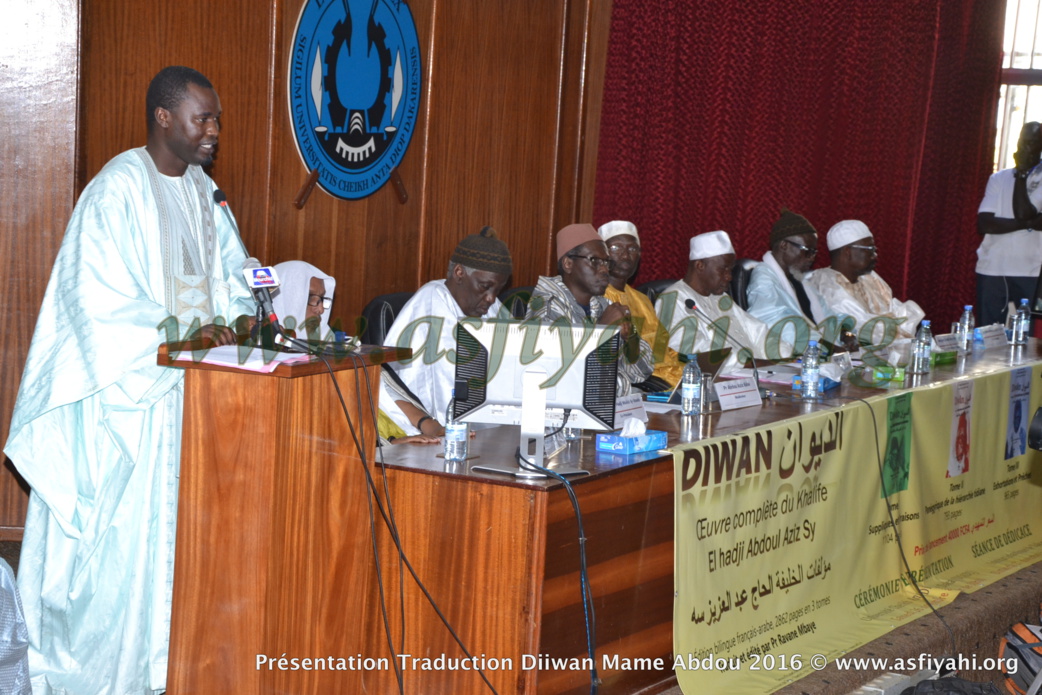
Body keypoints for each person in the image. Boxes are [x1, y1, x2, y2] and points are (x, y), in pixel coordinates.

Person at [4, 67, 256, 694]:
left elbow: (230, 271)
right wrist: (178, 334)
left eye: (217, 119)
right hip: (132, 400)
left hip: (194, 398)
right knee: (123, 548)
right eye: (203, 118)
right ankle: (109, 672)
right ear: (164, 117)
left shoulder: (204, 191)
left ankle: (170, 665)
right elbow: (94, 299)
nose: (214, 131)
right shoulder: (115, 190)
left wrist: (244, 313)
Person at [273, 260, 439, 445]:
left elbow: (383, 390)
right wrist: (389, 444)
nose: (319, 309)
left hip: (395, 434)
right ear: (289, 296)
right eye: (312, 298)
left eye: (322, 299)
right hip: (361, 449)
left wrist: (430, 425)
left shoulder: (333, 342)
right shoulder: (271, 361)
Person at [380, 226, 513, 436]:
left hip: (484, 433)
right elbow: (448, 383)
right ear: (459, 273)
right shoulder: (431, 302)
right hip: (434, 433)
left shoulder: (491, 307)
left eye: (498, 290)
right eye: (484, 287)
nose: (491, 298)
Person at [526, 223, 654, 394]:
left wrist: (630, 335)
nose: (604, 270)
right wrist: (602, 331)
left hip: (611, 402)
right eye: (594, 261)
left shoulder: (603, 305)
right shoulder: (547, 307)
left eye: (606, 262)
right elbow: (560, 378)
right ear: (568, 264)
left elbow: (641, 372)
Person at [656, 230, 793, 375]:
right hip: (715, 381)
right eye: (723, 269)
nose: (729, 277)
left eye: (730, 270)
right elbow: (695, 353)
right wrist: (752, 364)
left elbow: (759, 333)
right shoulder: (672, 300)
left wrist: (788, 358)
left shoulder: (721, 298)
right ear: (700, 265)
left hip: (753, 375)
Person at [746, 209, 857, 353]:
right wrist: (828, 348)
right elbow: (781, 327)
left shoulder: (801, 281)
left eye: (814, 252)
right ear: (784, 245)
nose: (812, 258)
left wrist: (846, 334)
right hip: (791, 358)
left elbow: (828, 316)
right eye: (807, 251)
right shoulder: (763, 280)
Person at [805, 220, 924, 344]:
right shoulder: (826, 285)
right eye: (870, 249)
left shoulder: (870, 278)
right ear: (847, 252)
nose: (875, 255)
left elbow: (893, 314)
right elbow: (863, 330)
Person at [598, 220, 682, 388]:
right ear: (601, 254)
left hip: (668, 380)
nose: (625, 255)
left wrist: (690, 366)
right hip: (643, 384)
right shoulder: (596, 297)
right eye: (616, 248)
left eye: (632, 249)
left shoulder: (642, 299)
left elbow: (663, 349)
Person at [977, 122, 1042, 327]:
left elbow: (1023, 211)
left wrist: (1021, 175)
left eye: (1032, 142)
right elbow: (984, 224)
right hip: (992, 266)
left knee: (1026, 336)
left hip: (1030, 269)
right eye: (1022, 141)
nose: (1025, 147)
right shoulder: (998, 178)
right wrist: (1028, 223)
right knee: (987, 333)